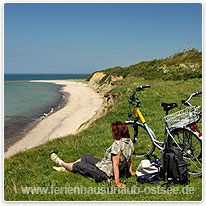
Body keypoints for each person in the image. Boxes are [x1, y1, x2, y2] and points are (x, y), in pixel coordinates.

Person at [51, 121, 136, 188]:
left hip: (103, 173)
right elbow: (129, 159)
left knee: (78, 165)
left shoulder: (117, 145)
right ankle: (67, 168)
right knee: (85, 157)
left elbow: (116, 164)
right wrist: (130, 171)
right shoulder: (129, 142)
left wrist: (117, 181)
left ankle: (61, 163)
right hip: (104, 165)